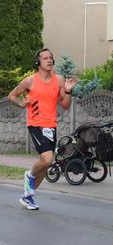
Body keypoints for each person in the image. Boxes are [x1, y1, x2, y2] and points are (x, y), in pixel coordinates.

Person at [8, 48, 77, 210]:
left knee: (46, 165)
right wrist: (21, 103)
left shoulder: (59, 80)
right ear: (38, 62)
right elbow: (12, 95)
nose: (49, 60)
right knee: (47, 159)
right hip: (36, 124)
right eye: (45, 58)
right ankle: (29, 175)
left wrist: (68, 90)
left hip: (51, 125)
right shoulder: (30, 81)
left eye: (51, 58)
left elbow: (65, 105)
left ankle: (28, 197)